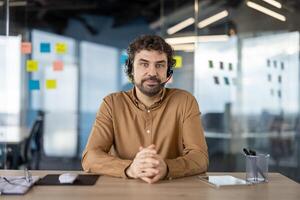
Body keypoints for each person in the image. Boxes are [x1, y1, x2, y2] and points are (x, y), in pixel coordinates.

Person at [82, 35, 208, 184]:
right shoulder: (112, 104)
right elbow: (90, 157)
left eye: (160, 65)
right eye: (144, 64)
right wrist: (130, 168)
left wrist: (167, 167)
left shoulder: (185, 101)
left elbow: (200, 157)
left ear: (168, 71)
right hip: (123, 191)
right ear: (131, 69)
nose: (152, 72)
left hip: (172, 190)